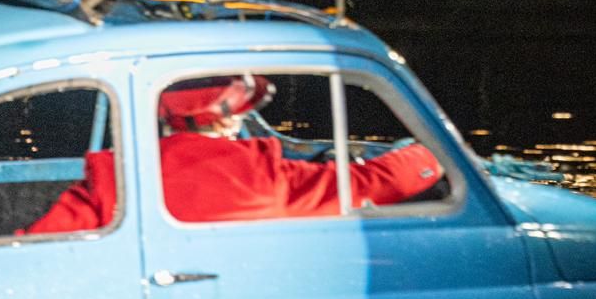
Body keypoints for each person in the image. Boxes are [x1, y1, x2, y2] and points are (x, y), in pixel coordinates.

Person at [25, 75, 444, 233]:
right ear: (225, 121)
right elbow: (376, 182)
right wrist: (429, 154)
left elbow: (42, 240)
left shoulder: (116, 177)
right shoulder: (265, 177)